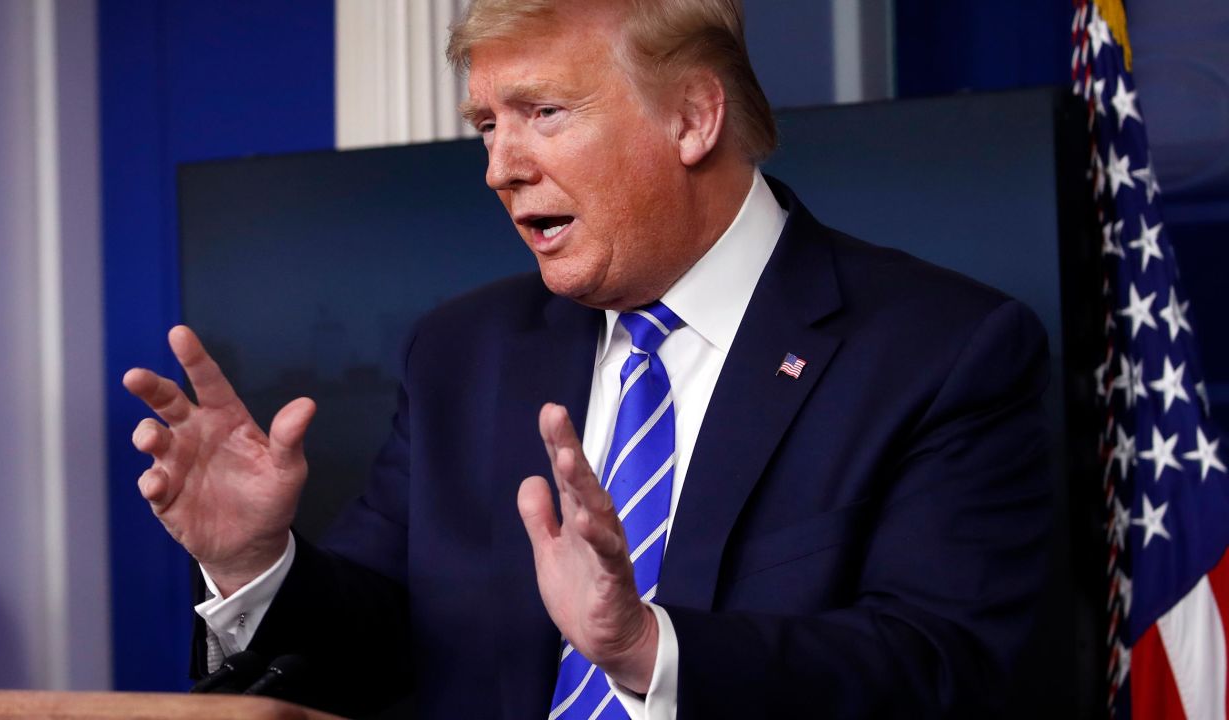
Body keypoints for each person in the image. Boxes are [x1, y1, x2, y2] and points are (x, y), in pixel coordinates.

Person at [124, 0, 1052, 717]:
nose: (500, 166)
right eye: (489, 124)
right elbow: (371, 646)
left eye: (545, 112)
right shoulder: (461, 353)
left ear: (692, 117)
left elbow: (949, 671)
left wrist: (648, 651)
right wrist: (254, 562)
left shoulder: (943, 351)